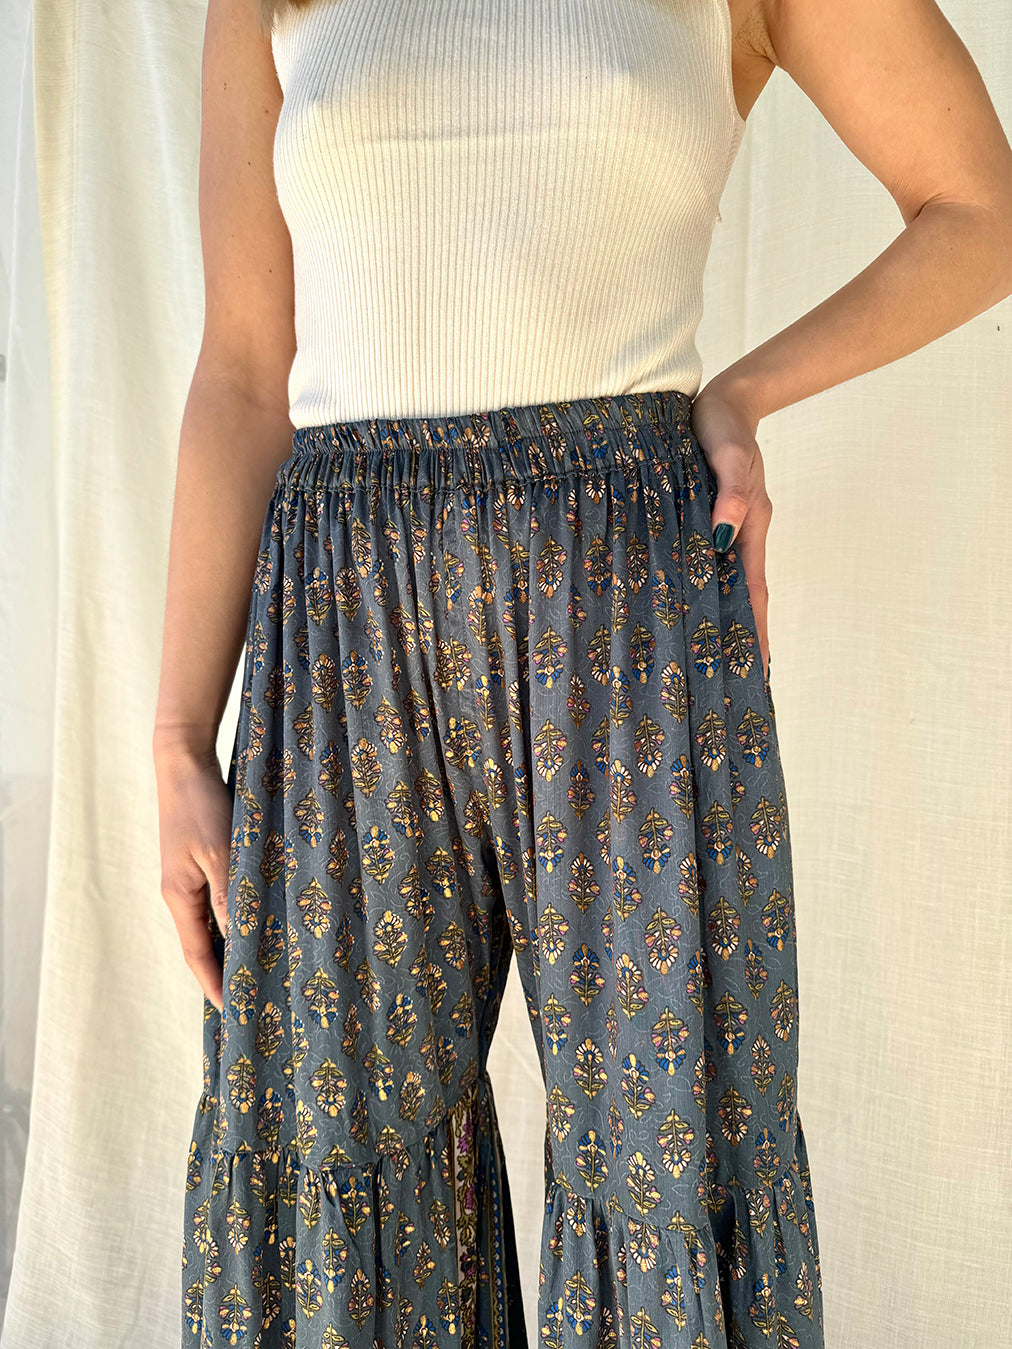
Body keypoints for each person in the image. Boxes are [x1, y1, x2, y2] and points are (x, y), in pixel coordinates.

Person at [152, 0, 1012, 1344]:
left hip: (629, 612)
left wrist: (740, 395)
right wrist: (175, 737)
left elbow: (980, 206)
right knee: (329, 1143)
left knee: (667, 1145)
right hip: (343, 635)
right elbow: (245, 375)